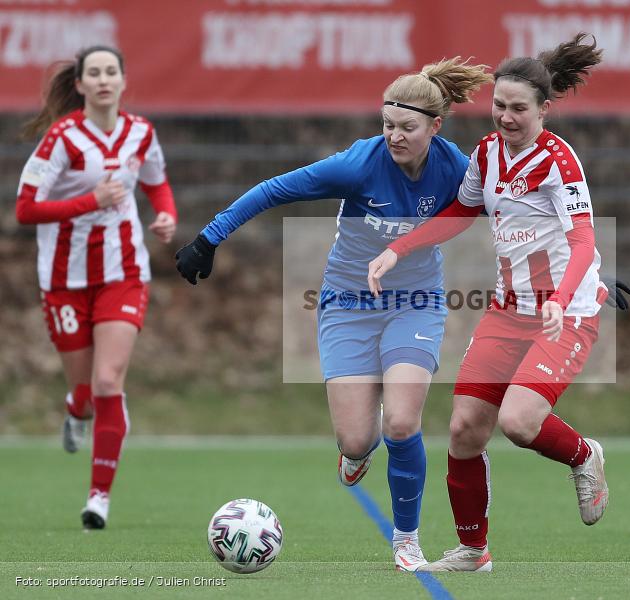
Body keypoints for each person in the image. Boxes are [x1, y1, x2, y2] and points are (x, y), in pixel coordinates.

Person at [175, 58, 492, 571]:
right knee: (357, 438)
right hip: (348, 304)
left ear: (436, 126)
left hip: (416, 304)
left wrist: (579, 268)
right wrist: (209, 238)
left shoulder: (455, 167)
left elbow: (516, 208)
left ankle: (406, 539)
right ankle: (354, 452)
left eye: (406, 127)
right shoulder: (358, 165)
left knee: (404, 425)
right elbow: (275, 188)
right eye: (387, 125)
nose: (394, 136)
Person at [368, 33, 611, 572]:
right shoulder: (486, 153)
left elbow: (583, 241)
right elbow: (461, 211)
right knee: (464, 429)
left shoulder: (558, 163)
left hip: (565, 311)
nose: (505, 116)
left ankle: (583, 454)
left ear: (544, 110)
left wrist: (562, 298)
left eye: (518, 108)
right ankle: (473, 551)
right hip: (507, 310)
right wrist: (397, 249)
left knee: (521, 422)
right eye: (499, 105)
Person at [16, 45, 178, 530]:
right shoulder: (60, 139)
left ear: (123, 81)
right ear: (81, 85)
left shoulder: (141, 132)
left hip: (123, 272)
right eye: (94, 73)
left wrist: (167, 214)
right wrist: (91, 200)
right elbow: (25, 210)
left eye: (112, 71)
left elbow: (156, 183)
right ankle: (74, 408)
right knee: (85, 392)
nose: (104, 79)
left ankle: (98, 499)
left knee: (109, 382)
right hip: (64, 280)